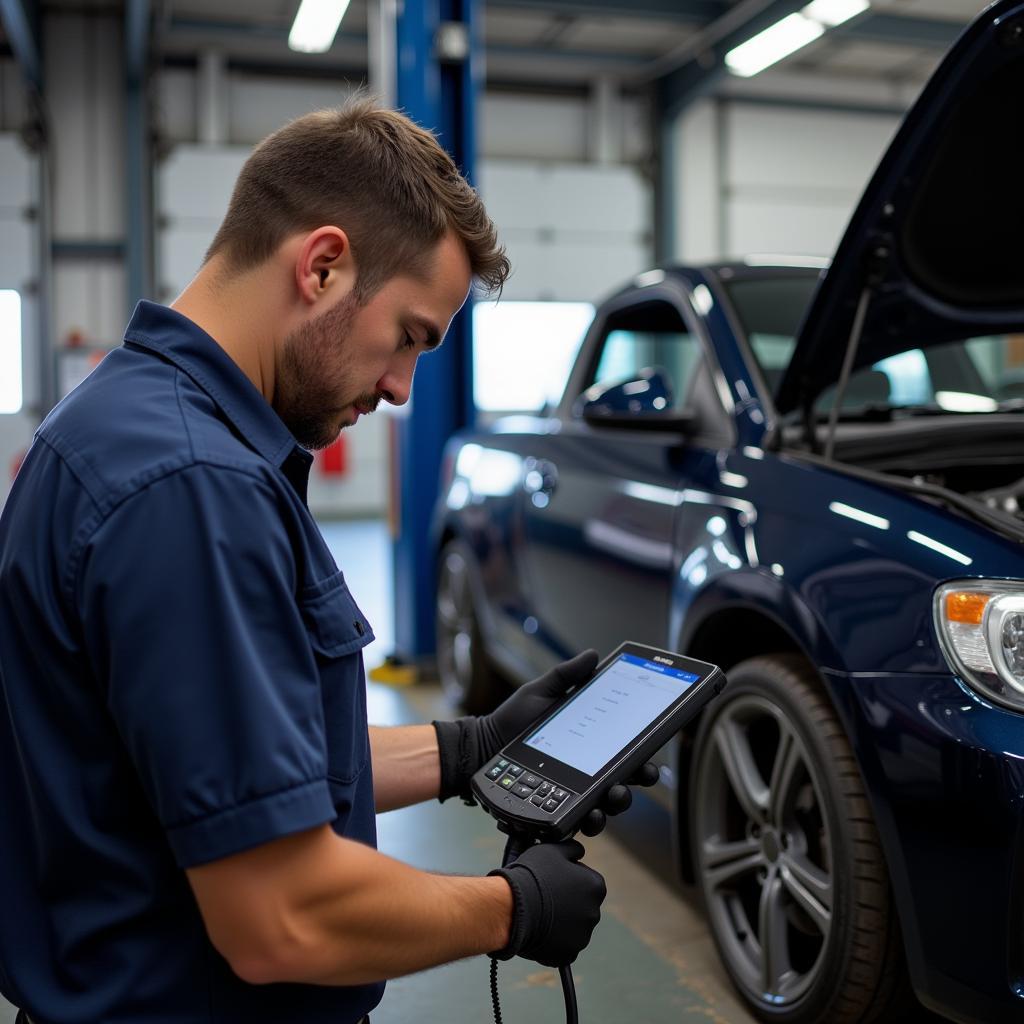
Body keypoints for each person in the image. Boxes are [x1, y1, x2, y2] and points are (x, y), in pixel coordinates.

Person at [0, 99, 651, 1024]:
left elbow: (234, 768)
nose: (399, 388)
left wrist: (468, 750)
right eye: (411, 337)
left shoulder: (123, 420)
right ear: (322, 265)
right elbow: (282, 917)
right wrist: (513, 909)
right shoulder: (193, 490)